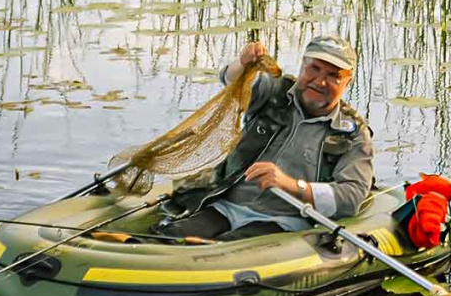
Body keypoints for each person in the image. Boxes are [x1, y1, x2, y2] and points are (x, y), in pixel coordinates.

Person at [156, 35, 375, 241]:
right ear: (302, 66)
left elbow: (352, 196)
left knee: (225, 249)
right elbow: (234, 80)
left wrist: (292, 186)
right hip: (227, 206)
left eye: (333, 75)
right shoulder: (274, 91)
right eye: (314, 69)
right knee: (169, 236)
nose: (320, 81)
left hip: (283, 221)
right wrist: (243, 63)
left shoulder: (353, 134)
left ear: (347, 82)